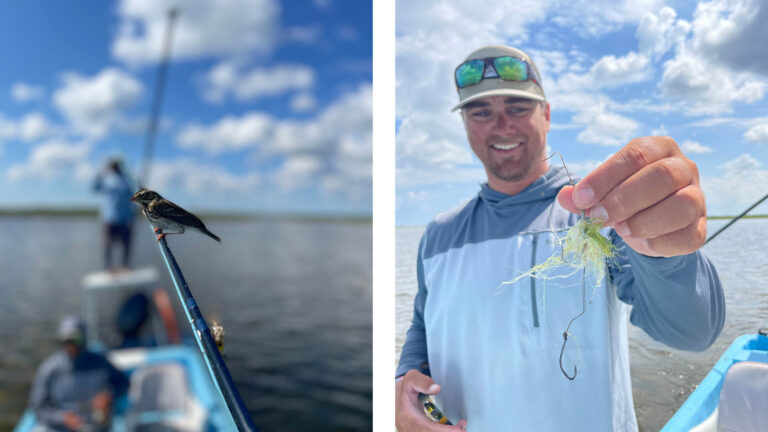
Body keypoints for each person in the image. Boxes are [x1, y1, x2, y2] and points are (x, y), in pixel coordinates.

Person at [395, 45, 725, 431]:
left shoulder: (601, 216)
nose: (502, 126)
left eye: (518, 107)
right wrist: (404, 381)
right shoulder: (437, 234)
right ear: (466, 124)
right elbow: (423, 324)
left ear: (547, 115)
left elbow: (693, 331)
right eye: (481, 112)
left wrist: (664, 248)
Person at [28, 316, 129, 432]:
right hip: (57, 427)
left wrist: (108, 395)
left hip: (92, 425)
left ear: (84, 339)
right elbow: (37, 406)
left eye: (76, 340)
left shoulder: (101, 363)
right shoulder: (49, 369)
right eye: (67, 341)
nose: (71, 346)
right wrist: (62, 417)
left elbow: (124, 383)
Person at [93, 158, 135, 271]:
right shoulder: (107, 179)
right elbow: (95, 188)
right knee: (107, 244)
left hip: (125, 218)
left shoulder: (129, 180)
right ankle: (109, 268)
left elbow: (137, 193)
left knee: (126, 244)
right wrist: (99, 175)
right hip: (109, 218)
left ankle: (125, 266)